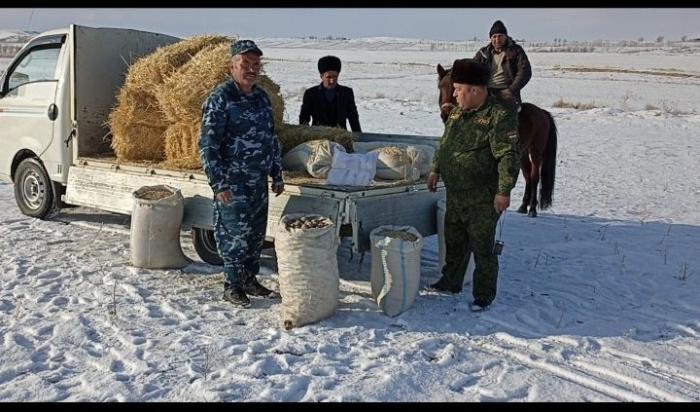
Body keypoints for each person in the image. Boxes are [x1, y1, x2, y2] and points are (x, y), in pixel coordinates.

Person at [427, 58, 520, 312]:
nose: (454, 94)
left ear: (475, 90)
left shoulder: (498, 117)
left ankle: (483, 295)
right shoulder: (457, 113)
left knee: (483, 248)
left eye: (458, 88)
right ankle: (451, 282)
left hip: (482, 197)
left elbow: (508, 157)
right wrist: (436, 169)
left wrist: (503, 191)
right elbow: (445, 144)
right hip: (456, 194)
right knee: (455, 242)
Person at [199, 39, 285, 308]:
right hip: (232, 181)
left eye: (255, 64)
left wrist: (276, 172)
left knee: (255, 234)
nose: (251, 69)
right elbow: (208, 145)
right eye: (245, 64)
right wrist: (218, 183)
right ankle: (232, 285)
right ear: (232, 66)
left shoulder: (261, 98)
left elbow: (270, 138)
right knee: (234, 234)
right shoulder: (221, 98)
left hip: (257, 179)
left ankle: (250, 280)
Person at [474, 20, 531, 114]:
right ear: (490, 38)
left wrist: (511, 90)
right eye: (494, 37)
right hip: (486, 92)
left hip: (507, 93)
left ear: (506, 36)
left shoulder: (515, 51)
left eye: (500, 36)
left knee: (505, 120)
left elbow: (524, 72)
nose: (497, 39)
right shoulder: (483, 53)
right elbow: (471, 68)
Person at [299, 55, 362, 132]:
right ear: (321, 76)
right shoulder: (311, 94)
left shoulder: (346, 93)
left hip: (341, 138)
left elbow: (353, 118)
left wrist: (359, 139)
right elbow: (304, 119)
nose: (332, 80)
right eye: (328, 77)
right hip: (317, 138)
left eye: (335, 77)